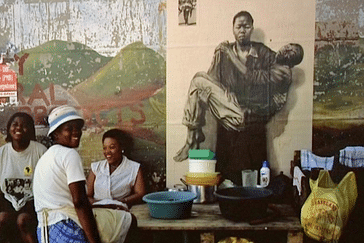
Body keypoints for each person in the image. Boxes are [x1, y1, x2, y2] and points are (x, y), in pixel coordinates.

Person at [174, 11, 304, 182]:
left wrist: (228, 53)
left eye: (246, 26)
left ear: (252, 29)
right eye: (239, 27)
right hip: (228, 105)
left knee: (199, 80)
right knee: (199, 80)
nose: (242, 30)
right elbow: (213, 78)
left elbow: (250, 76)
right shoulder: (263, 56)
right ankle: (193, 134)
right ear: (233, 29)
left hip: (244, 115)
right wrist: (212, 94)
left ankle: (192, 137)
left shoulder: (278, 68)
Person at [33, 105, 132, 243]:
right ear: (55, 134)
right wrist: (94, 241)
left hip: (46, 231)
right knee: (128, 221)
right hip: (66, 226)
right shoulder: (69, 154)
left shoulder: (46, 157)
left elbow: (64, 200)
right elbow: (79, 202)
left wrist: (103, 205)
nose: (76, 132)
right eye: (69, 129)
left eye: (78, 128)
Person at [0, 112, 47, 243]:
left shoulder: (40, 151)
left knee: (23, 220)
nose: (19, 128)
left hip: (33, 202)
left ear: (31, 130)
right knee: (2, 218)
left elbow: (47, 186)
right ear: (9, 129)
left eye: (24, 125)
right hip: (8, 202)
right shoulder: (1, 154)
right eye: (14, 125)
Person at [86, 128, 146, 210]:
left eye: (112, 147)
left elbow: (140, 193)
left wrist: (121, 201)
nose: (107, 152)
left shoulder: (134, 168)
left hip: (119, 209)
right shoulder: (96, 167)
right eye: (105, 148)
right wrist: (97, 204)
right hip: (96, 209)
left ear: (121, 148)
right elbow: (88, 195)